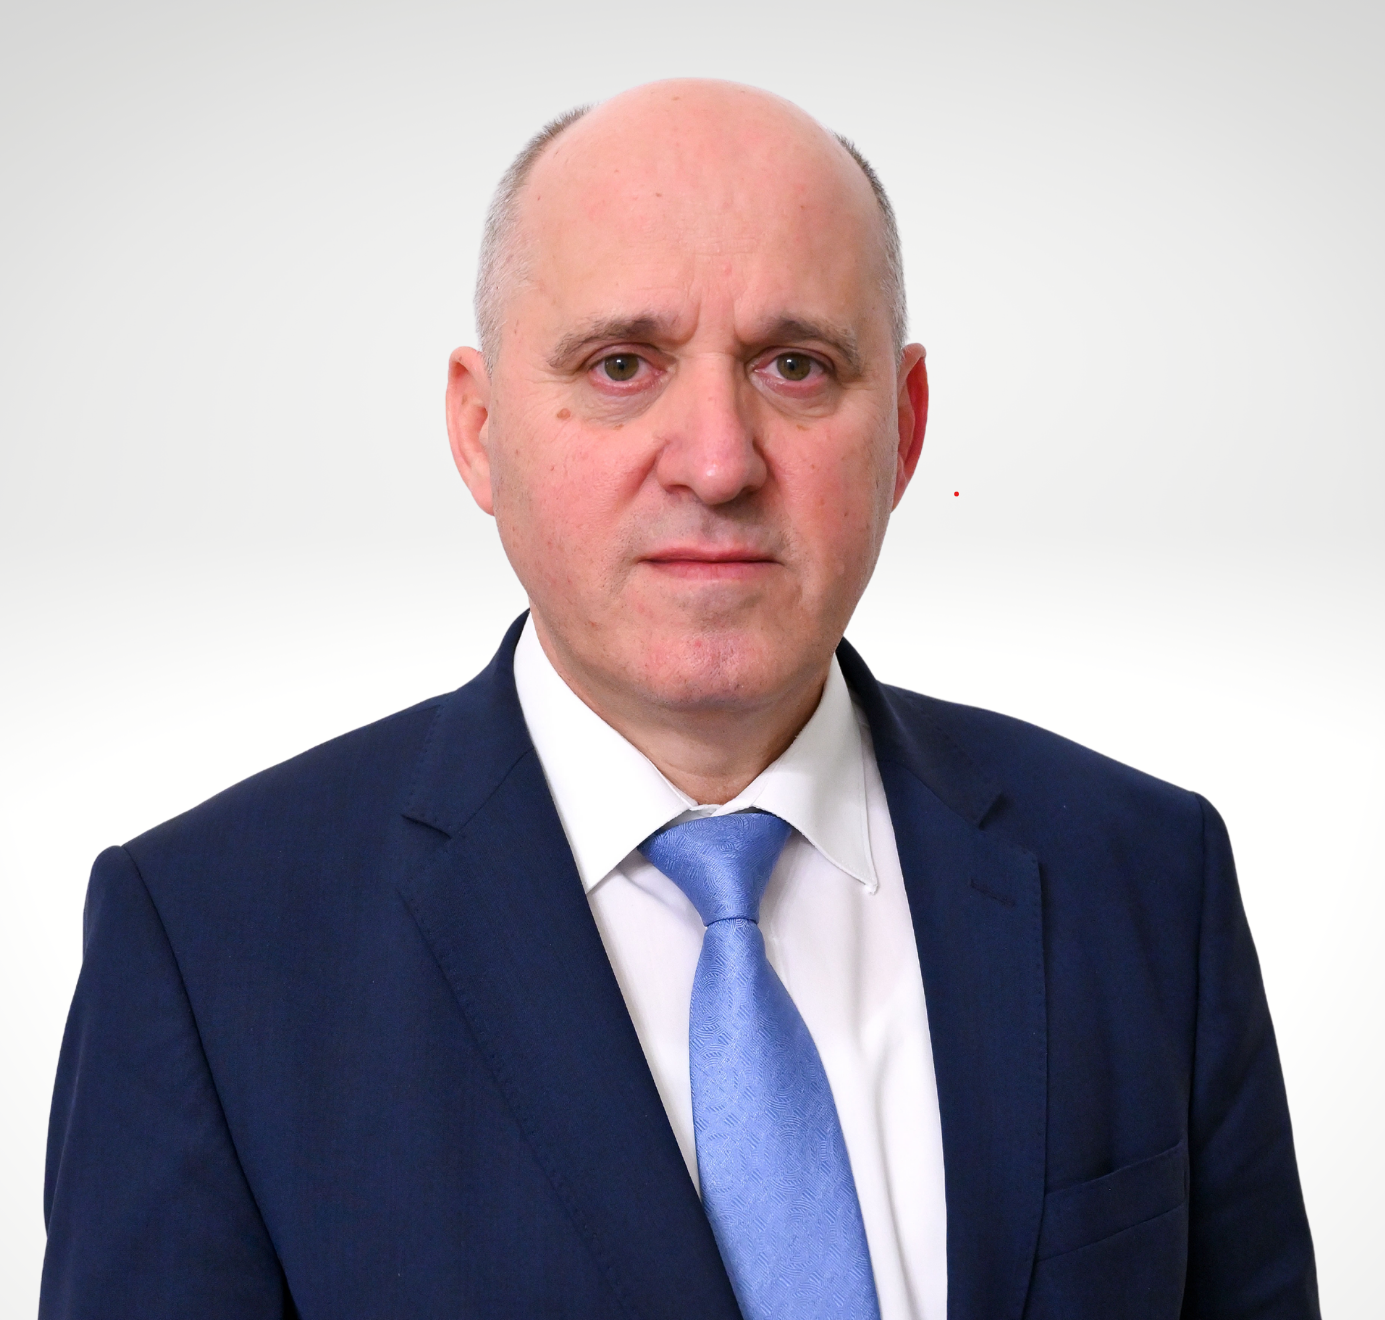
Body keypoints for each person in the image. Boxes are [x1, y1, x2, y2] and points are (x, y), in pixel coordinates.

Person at [39, 80, 1318, 1320]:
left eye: (795, 366)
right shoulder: (209, 947)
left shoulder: (1145, 877)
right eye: (620, 365)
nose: (716, 462)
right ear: (479, 430)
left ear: (904, 428)